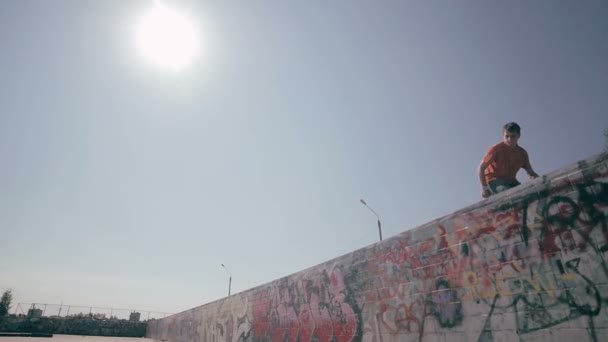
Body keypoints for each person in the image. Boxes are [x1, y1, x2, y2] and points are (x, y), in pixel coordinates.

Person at [478, 122, 539, 198]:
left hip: (511, 182)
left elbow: (530, 172)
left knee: (529, 194)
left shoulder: (522, 153)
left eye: (513, 136)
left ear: (518, 136)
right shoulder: (496, 149)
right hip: (494, 182)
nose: (509, 139)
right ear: (503, 136)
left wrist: (540, 181)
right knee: (511, 194)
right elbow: (481, 168)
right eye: (507, 136)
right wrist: (484, 188)